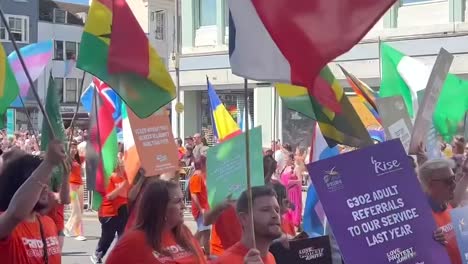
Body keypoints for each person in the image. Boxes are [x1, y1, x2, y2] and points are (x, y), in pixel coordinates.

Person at [106, 180, 206, 264]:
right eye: (177, 201)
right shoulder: (133, 241)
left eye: (182, 200)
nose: (183, 206)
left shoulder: (184, 232)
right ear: (160, 208)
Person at [0, 140, 66, 264]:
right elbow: (15, 214)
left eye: (48, 181)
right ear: (20, 185)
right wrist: (48, 163)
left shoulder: (48, 222)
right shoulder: (5, 224)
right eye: (41, 183)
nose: (47, 187)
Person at [418, 158, 468, 264]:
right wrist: (429, 243)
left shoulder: (445, 204)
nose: (454, 184)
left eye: (454, 178)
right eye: (449, 181)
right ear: (430, 184)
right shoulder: (421, 218)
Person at [214, 186, 281, 264]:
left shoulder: (271, 257)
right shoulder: (225, 261)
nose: (275, 215)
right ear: (244, 218)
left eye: (277, 210)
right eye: (265, 210)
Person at [91, 160, 130, 264]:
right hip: (109, 212)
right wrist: (123, 185)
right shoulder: (109, 177)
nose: (122, 166)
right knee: (108, 236)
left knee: (123, 237)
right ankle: (97, 254)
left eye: (123, 164)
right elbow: (110, 196)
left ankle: (120, 258)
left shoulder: (126, 177)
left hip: (123, 210)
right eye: (120, 164)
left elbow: (129, 193)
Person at [64, 141, 87, 241]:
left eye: (75, 148)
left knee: (80, 210)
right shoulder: (66, 160)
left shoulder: (79, 159)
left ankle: (67, 228)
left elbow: (88, 152)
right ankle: (78, 233)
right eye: (71, 148)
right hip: (71, 187)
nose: (73, 149)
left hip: (80, 186)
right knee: (76, 209)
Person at [188, 156, 211, 255]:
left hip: (204, 209)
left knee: (204, 232)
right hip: (200, 210)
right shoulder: (197, 177)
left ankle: (208, 254)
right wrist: (201, 209)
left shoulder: (200, 175)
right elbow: (194, 194)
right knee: (203, 233)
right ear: (202, 164)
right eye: (206, 163)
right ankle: (190, 250)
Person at [280, 154, 303, 229]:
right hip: (286, 192)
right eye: (285, 158)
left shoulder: (296, 168)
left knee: (294, 210)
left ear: (291, 159)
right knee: (287, 211)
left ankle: (295, 226)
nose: (285, 160)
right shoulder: (284, 168)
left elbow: (300, 181)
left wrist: (291, 182)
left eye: (287, 158)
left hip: (294, 193)